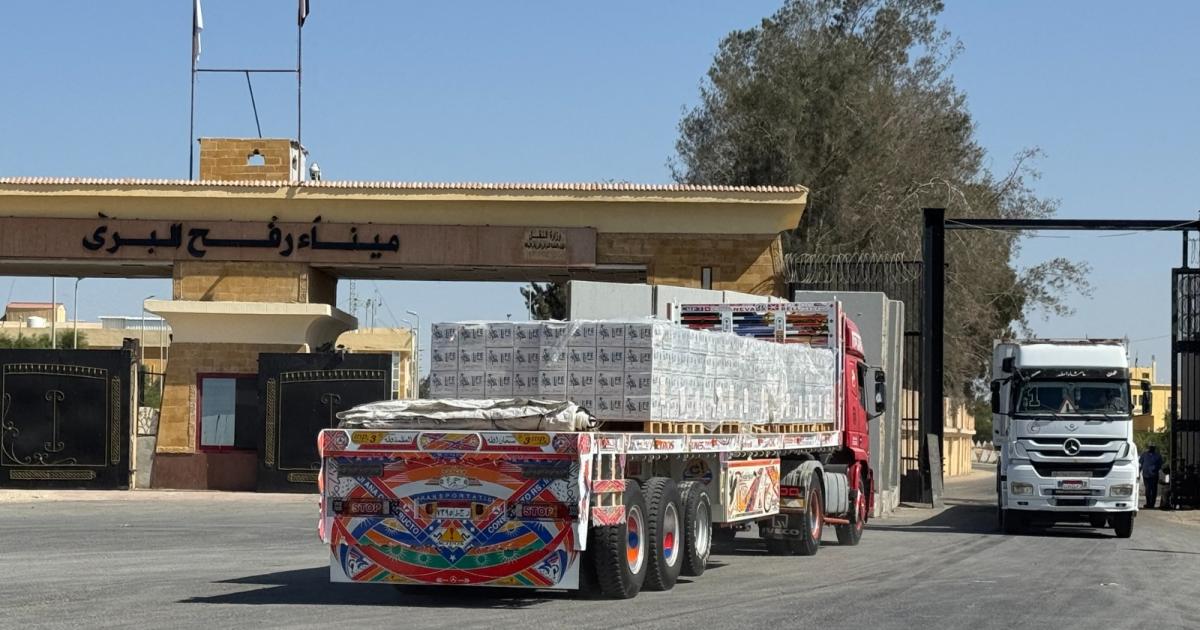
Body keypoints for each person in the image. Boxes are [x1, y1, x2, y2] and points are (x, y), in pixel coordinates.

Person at [1139, 445, 1164, 509]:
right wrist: (1139, 472)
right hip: (1146, 475)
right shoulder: (1144, 454)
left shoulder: (1157, 455)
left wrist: (1156, 469)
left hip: (1153, 475)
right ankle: (1148, 503)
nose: (1151, 448)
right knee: (1148, 489)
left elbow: (1160, 465)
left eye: (1152, 447)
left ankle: (1152, 504)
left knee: (1153, 490)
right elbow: (1141, 464)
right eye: (1151, 447)